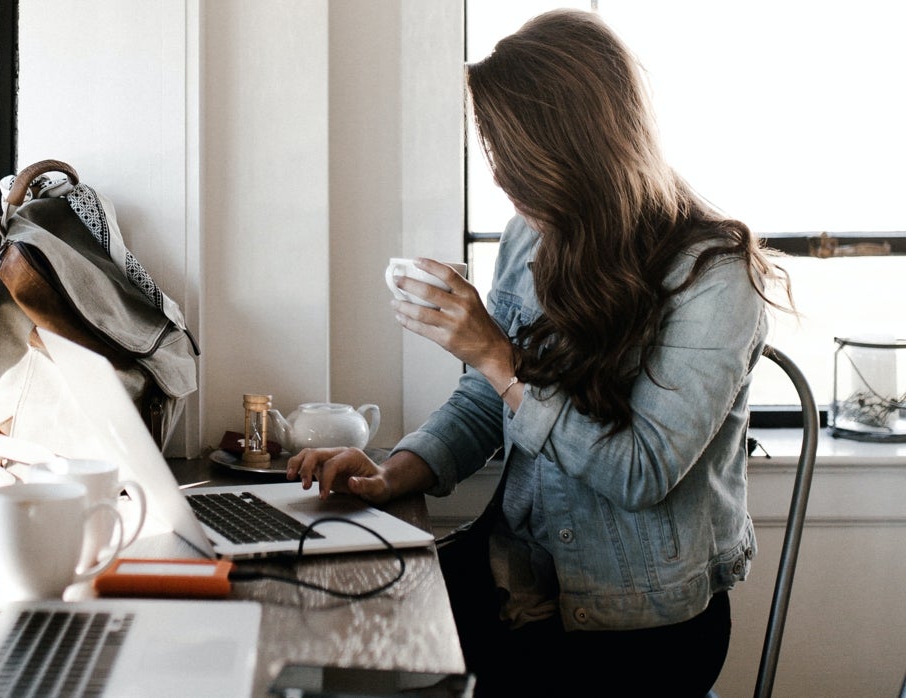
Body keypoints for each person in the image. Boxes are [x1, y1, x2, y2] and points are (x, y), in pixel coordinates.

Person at [286, 9, 792, 697]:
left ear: (580, 148)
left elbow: (640, 473)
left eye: (514, 160)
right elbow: (484, 398)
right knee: (333, 625)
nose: (502, 182)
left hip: (637, 626)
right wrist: (394, 471)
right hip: (518, 574)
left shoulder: (715, 279)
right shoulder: (532, 236)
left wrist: (498, 357)